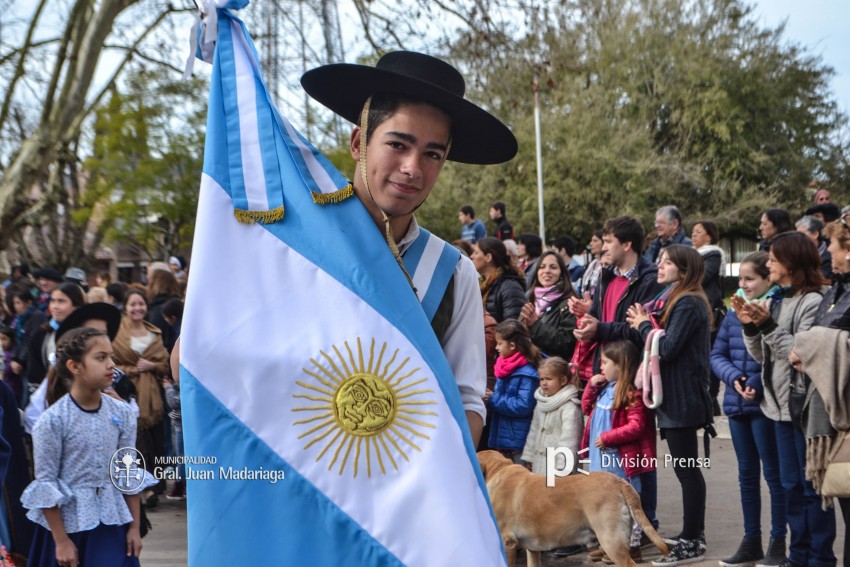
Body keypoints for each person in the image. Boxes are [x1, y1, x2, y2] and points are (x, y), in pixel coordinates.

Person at [300, 50, 518, 447]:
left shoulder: (451, 272)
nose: (413, 168)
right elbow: (193, 362)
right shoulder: (294, 244)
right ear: (357, 142)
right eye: (398, 144)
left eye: (433, 154)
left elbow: (467, 399)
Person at [734, 231, 834, 567]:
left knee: (811, 489)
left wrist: (766, 324)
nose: (769, 263)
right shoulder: (778, 299)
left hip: (805, 409)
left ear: (791, 263)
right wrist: (751, 326)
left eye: (774, 259)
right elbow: (764, 355)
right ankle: (797, 555)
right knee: (790, 487)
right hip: (776, 409)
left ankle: (820, 558)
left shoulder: (817, 299)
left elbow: (799, 353)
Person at [21, 327, 157, 566]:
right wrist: (61, 541)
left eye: (111, 356)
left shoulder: (122, 413)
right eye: (101, 357)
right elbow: (46, 482)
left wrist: (134, 527)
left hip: (112, 526)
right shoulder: (53, 420)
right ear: (75, 366)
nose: (111, 365)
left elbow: (127, 473)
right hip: (67, 529)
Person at [626, 245, 714, 565]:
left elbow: (669, 346)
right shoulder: (677, 299)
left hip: (684, 399)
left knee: (688, 471)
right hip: (675, 399)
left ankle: (694, 539)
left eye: (666, 262)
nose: (659, 267)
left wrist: (643, 326)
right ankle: (692, 533)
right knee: (685, 470)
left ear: (684, 269)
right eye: (660, 261)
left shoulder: (689, 302)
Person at [711, 252, 786, 566]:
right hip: (736, 403)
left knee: (774, 475)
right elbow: (717, 354)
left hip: (764, 405)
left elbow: (776, 355)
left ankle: (778, 541)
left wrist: (754, 380)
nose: (743, 285)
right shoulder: (733, 311)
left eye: (750, 279)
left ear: (768, 279)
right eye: (740, 279)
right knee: (746, 476)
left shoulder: (775, 309)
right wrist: (736, 378)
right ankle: (751, 539)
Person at [789, 212, 850, 565]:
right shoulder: (836, 291)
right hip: (831, 412)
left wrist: (813, 345)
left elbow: (820, 337)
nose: (827, 251)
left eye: (832, 244)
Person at [581, 340, 658, 564]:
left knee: (625, 504)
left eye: (605, 363)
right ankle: (611, 544)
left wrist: (608, 437)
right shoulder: (605, 388)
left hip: (620, 462)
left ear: (621, 365)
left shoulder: (632, 394)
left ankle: (631, 547)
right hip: (600, 460)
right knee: (605, 504)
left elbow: (637, 426)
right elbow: (586, 408)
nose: (601, 367)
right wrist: (591, 387)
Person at [572, 216, 664, 373]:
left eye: (608, 241)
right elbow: (596, 318)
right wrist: (586, 327)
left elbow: (640, 330)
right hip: (602, 370)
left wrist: (600, 329)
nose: (604, 247)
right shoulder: (606, 276)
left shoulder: (650, 280)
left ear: (627, 244)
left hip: (630, 372)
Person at [112, 289, 169, 508]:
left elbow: (165, 364)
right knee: (135, 443)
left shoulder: (155, 333)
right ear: (125, 307)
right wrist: (133, 369)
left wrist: (152, 366)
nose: (137, 308)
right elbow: (111, 363)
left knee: (154, 443)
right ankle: (142, 488)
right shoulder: (117, 333)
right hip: (126, 394)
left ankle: (153, 484)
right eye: (133, 304)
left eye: (141, 304)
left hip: (153, 398)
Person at [486, 319, 539, 463]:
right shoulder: (504, 368)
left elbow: (523, 406)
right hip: (503, 439)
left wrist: (493, 399)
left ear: (513, 345)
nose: (496, 347)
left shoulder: (527, 374)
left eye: (499, 343)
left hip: (517, 443)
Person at [26, 283, 86, 402]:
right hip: (49, 397)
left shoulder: (86, 335)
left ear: (76, 305)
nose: (55, 306)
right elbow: (35, 373)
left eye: (61, 301)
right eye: (52, 301)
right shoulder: (41, 335)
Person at [521, 356, 582, 473]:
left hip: (558, 468)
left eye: (549, 379)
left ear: (563, 380)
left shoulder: (570, 407)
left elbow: (569, 440)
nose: (544, 383)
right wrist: (529, 457)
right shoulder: (541, 402)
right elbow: (534, 431)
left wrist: (563, 467)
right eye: (541, 379)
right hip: (539, 464)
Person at [519, 250, 578, 360]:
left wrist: (536, 324)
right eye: (542, 267)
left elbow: (566, 342)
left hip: (553, 370)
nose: (547, 271)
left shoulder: (570, 303)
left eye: (553, 267)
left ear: (562, 273)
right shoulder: (530, 298)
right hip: (528, 366)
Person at [471, 237, 527, 322]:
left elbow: (513, 327)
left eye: (476, 253)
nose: (471, 256)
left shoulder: (510, 288)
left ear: (488, 257)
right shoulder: (480, 285)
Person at [579, 229, 605, 298]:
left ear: (604, 242)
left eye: (595, 241)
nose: (591, 243)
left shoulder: (610, 265)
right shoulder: (592, 265)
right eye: (591, 241)